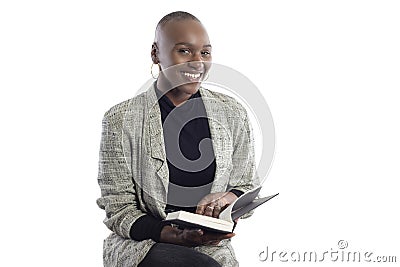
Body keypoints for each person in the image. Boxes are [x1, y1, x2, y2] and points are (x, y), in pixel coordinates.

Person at [97, 11, 259, 267]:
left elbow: (246, 185)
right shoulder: (120, 120)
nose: (197, 62)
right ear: (155, 53)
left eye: (205, 53)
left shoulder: (232, 113)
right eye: (184, 51)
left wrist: (229, 199)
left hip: (211, 249)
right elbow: (119, 208)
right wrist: (170, 234)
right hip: (143, 246)